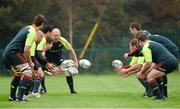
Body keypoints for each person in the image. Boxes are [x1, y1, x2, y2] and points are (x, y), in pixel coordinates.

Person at [125, 22, 179, 98]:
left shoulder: (144, 39)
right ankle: (160, 93)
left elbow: (142, 53)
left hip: (170, 52)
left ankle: (160, 94)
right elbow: (142, 53)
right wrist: (130, 55)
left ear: (134, 29)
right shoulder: (144, 35)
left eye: (131, 30)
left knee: (158, 71)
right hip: (169, 52)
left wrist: (129, 55)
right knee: (156, 71)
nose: (130, 32)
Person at [2, 15, 45, 101]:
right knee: (28, 72)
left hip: (7, 52)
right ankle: (20, 97)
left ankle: (12, 96)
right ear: (42, 24)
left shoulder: (26, 27)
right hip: (13, 52)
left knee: (18, 74)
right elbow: (26, 50)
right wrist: (30, 63)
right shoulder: (33, 32)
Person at [136, 31, 177, 100]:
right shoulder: (152, 43)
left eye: (138, 43)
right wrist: (145, 71)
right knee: (152, 75)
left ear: (139, 41)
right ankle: (162, 95)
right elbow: (152, 64)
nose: (139, 45)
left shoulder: (146, 47)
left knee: (150, 77)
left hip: (167, 62)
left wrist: (141, 72)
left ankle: (160, 97)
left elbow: (148, 63)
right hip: (172, 61)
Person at [45, 28, 78, 94]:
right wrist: (46, 63)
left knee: (68, 71)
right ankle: (43, 88)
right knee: (40, 72)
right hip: (47, 59)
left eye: (58, 35)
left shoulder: (62, 40)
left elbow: (71, 50)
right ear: (51, 35)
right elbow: (41, 52)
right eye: (55, 35)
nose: (57, 37)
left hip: (58, 59)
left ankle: (72, 90)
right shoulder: (46, 40)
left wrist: (76, 62)